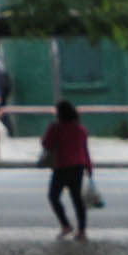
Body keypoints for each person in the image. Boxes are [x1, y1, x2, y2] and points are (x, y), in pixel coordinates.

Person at [40, 99, 92, 239]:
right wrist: (89, 167)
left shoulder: (55, 128)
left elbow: (46, 144)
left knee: (53, 196)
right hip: (78, 167)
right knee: (77, 199)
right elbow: (85, 150)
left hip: (62, 167)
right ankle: (81, 230)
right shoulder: (81, 129)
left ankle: (66, 225)